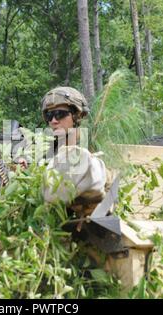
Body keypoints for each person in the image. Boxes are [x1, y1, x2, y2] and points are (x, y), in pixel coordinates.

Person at [37, 87, 112, 228]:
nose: (53, 121)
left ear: (77, 116)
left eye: (60, 114)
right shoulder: (47, 156)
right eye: (49, 115)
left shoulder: (95, 149)